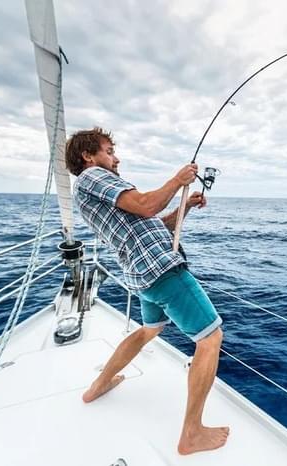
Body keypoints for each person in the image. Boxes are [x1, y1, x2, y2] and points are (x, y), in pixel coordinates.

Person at [65, 127, 229, 455]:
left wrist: (184, 206)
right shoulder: (93, 176)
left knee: (148, 331)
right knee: (210, 339)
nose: (116, 157)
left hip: (141, 275)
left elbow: (151, 223)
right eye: (109, 150)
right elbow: (146, 204)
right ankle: (191, 433)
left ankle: (98, 387)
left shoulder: (89, 191)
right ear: (88, 156)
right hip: (161, 270)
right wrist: (178, 180)